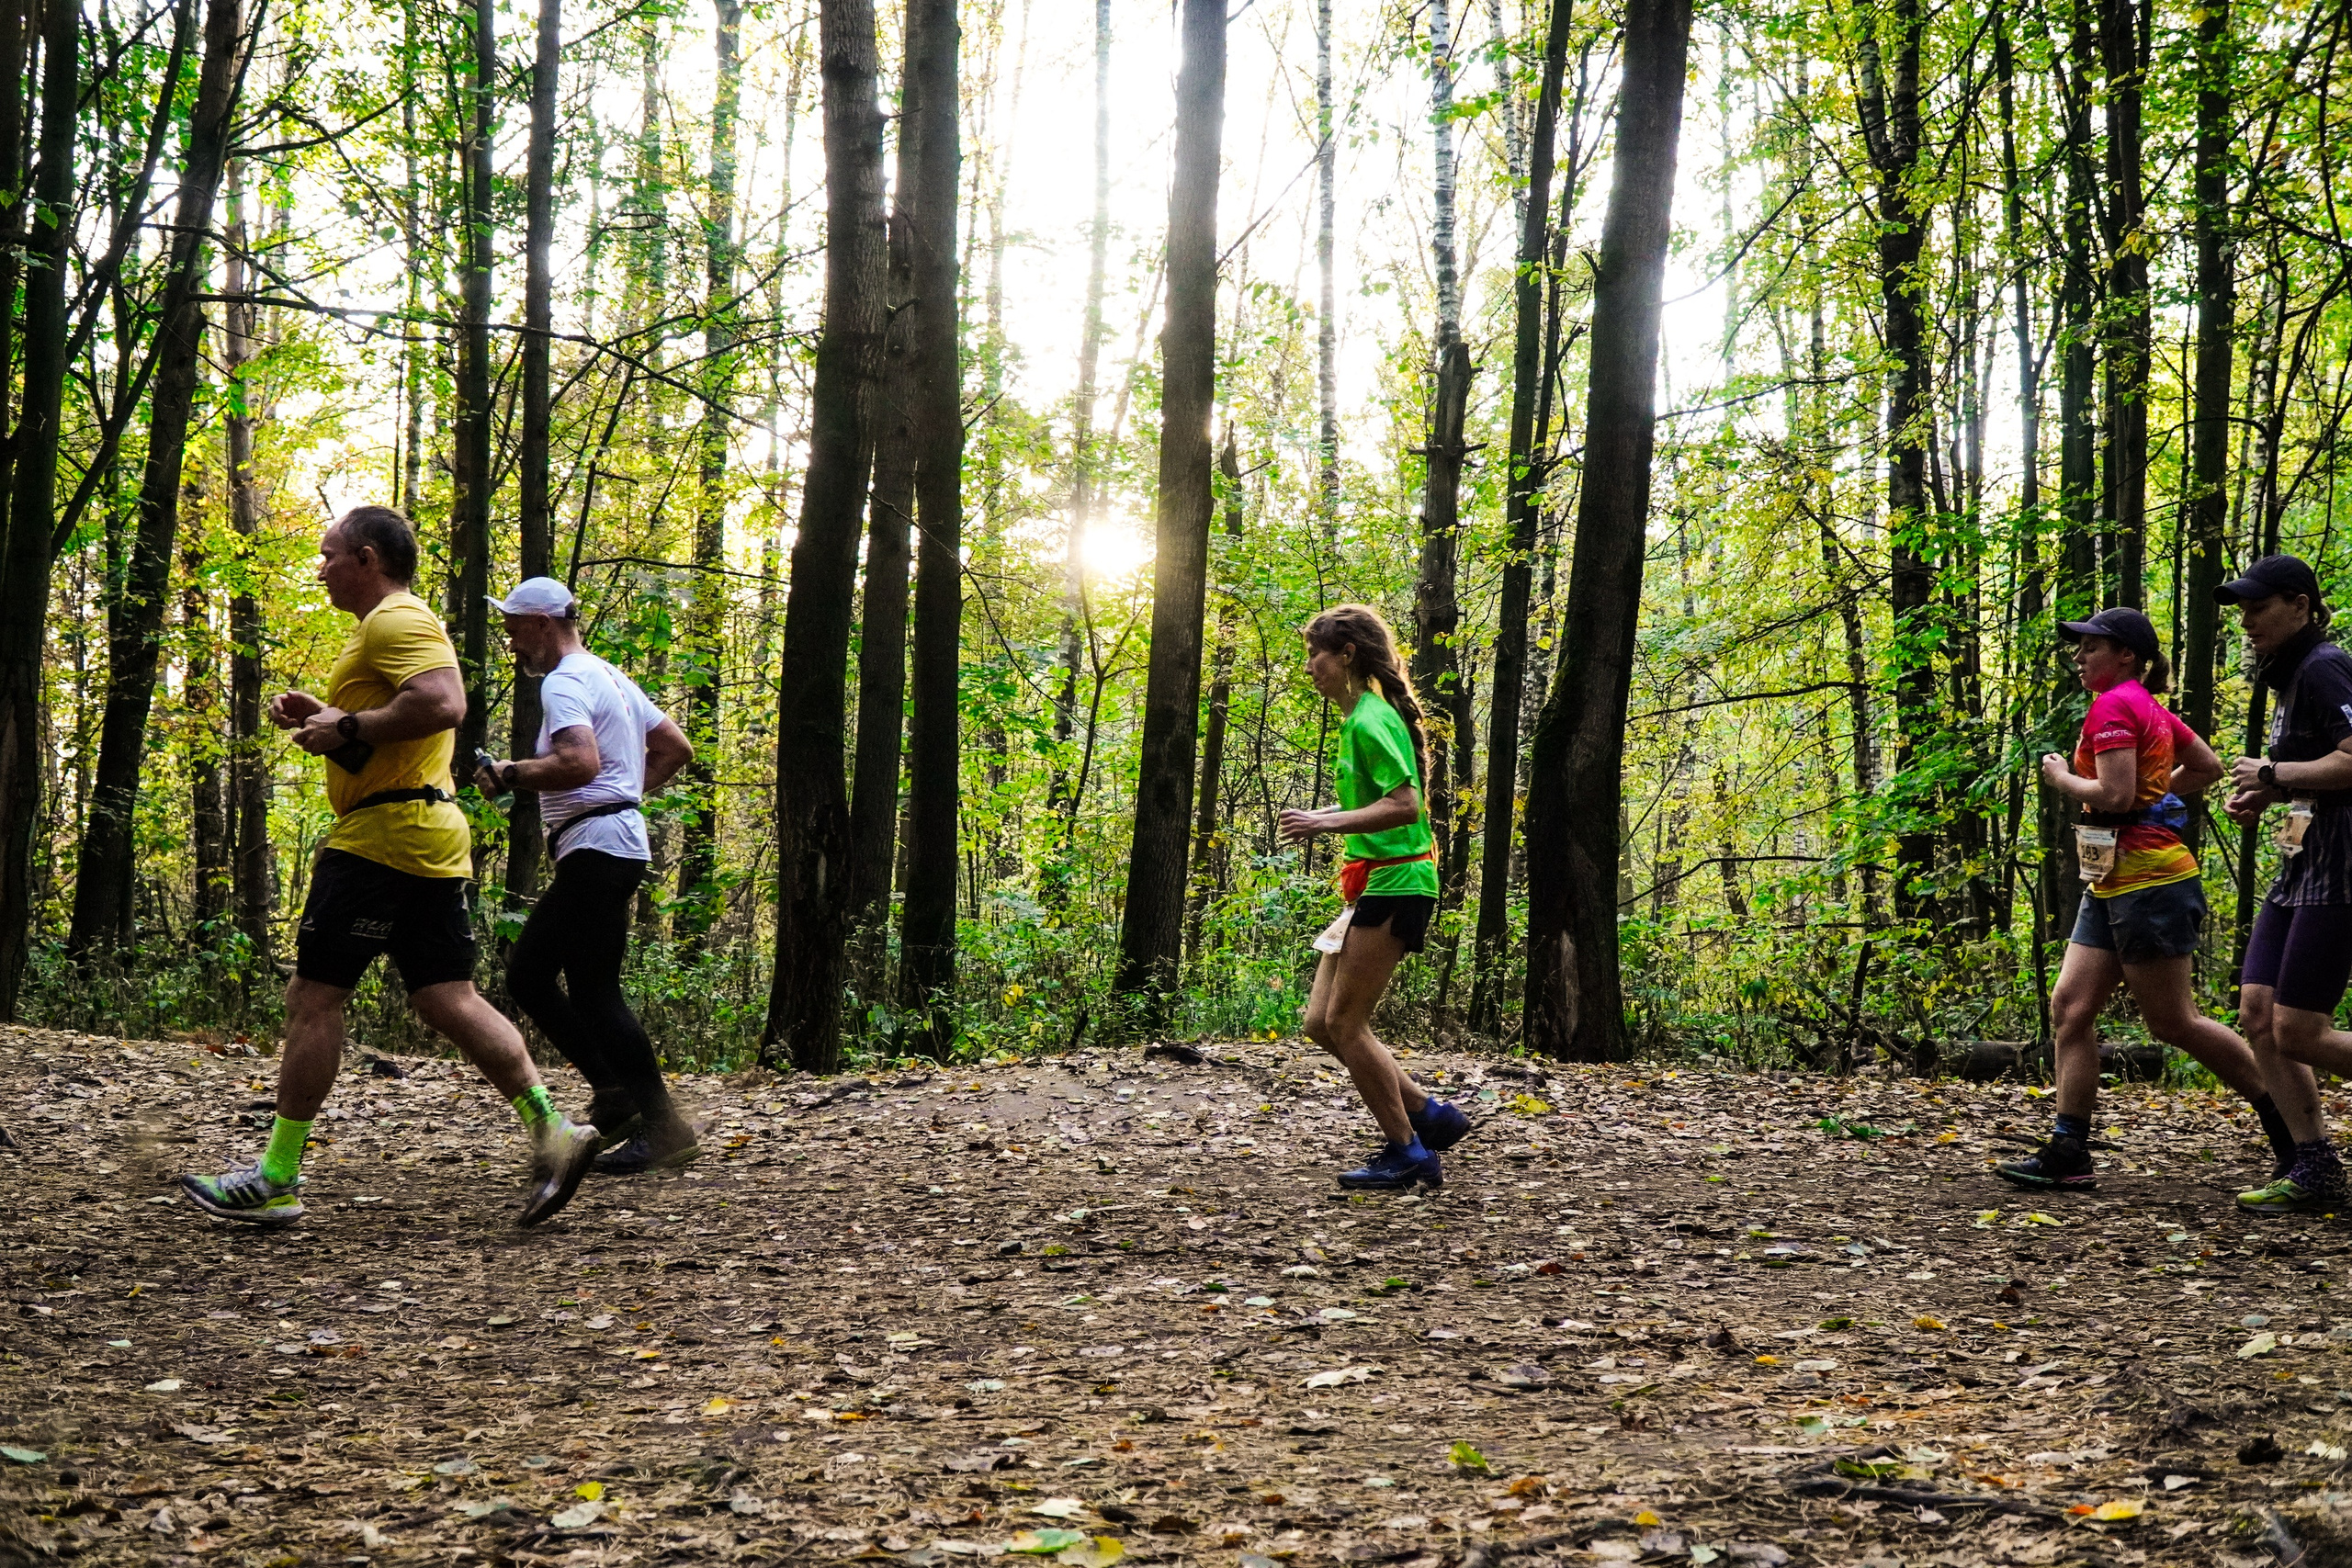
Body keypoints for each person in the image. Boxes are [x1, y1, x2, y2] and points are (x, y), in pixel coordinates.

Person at [182, 507, 599, 1227]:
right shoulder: (394, 627)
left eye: (329, 553)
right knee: (448, 998)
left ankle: (277, 1176)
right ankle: (554, 1132)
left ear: (368, 558)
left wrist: (344, 723)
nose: (321, 566)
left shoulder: (394, 619)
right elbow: (398, 731)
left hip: (380, 842)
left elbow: (443, 703)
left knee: (315, 997)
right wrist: (333, 716)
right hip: (429, 837)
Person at [1999, 605, 2291, 1192]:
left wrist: (2061, 778)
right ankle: (2068, 1149)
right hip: (2111, 880)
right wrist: (2152, 795)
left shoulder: (2116, 704)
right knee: (2071, 1008)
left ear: (2127, 655)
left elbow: (2111, 793)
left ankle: (2288, 1121)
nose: (2078, 657)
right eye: (2077, 648)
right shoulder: (2147, 707)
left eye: (2091, 647)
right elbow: (2204, 766)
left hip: (2150, 882)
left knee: (2173, 1022)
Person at [476, 577, 701, 1174]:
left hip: (598, 848)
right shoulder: (610, 676)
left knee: (536, 976)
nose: (512, 641)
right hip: (612, 843)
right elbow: (676, 747)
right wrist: (622, 797)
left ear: (543, 623)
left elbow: (579, 761)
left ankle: (655, 1118)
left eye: (514, 628)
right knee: (585, 985)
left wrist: (510, 771)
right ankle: (620, 1099)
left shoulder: (566, 680)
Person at [1278, 604, 1472, 1191]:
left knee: (1347, 1022)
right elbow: (1378, 808)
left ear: (1347, 655)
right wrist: (1324, 816)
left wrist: (1324, 827)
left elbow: (1406, 805)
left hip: (1398, 881)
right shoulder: (1357, 717)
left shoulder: (1371, 720)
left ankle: (1410, 1150)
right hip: (1373, 880)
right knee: (1320, 1022)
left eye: (1316, 653)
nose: (1309, 666)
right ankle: (1429, 1114)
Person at [2220, 554, 2352, 1214]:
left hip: (2343, 869)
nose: (2247, 623)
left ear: (2300, 605)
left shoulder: (2325, 665)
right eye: (2242, 611)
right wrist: (2269, 794)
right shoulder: (2291, 677)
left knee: (2300, 1030)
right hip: (2301, 867)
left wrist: (2273, 773)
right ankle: (2315, 1165)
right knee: (2256, 1012)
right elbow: (2312, 770)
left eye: (2258, 609)